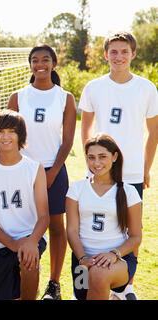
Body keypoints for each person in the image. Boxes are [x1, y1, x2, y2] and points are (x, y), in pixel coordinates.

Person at [79, 31, 157, 299]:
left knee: (129, 229)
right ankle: (87, 280)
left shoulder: (147, 88)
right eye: (114, 51)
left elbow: (153, 132)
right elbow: (86, 128)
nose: (119, 56)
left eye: (125, 51)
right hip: (101, 171)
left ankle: (126, 287)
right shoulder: (94, 87)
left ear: (133, 54)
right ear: (105, 54)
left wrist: (146, 168)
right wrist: (92, 164)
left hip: (131, 171)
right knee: (93, 226)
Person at [7, 44, 76, 300]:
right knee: (24, 226)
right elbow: (9, 136)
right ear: (30, 65)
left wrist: (52, 171)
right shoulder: (18, 96)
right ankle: (24, 278)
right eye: (35, 60)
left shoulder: (64, 97)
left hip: (53, 170)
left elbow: (68, 140)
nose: (40, 64)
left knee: (57, 226)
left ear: (53, 64)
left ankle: (54, 284)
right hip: (22, 171)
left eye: (45, 60)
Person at [0, 109, 49, 300]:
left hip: (30, 236)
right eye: (0, 131)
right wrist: (12, 243)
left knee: (28, 260)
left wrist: (32, 241)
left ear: (21, 135)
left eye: (11, 131)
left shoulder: (34, 168)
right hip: (1, 242)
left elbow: (44, 216)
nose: (6, 136)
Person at [66, 133, 142, 300]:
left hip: (118, 261)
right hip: (82, 262)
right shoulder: (76, 189)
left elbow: (136, 237)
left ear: (114, 157)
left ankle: (119, 293)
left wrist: (114, 254)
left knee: (99, 274)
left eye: (102, 157)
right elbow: (71, 230)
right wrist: (83, 258)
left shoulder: (129, 192)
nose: (96, 163)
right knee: (83, 294)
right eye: (91, 157)